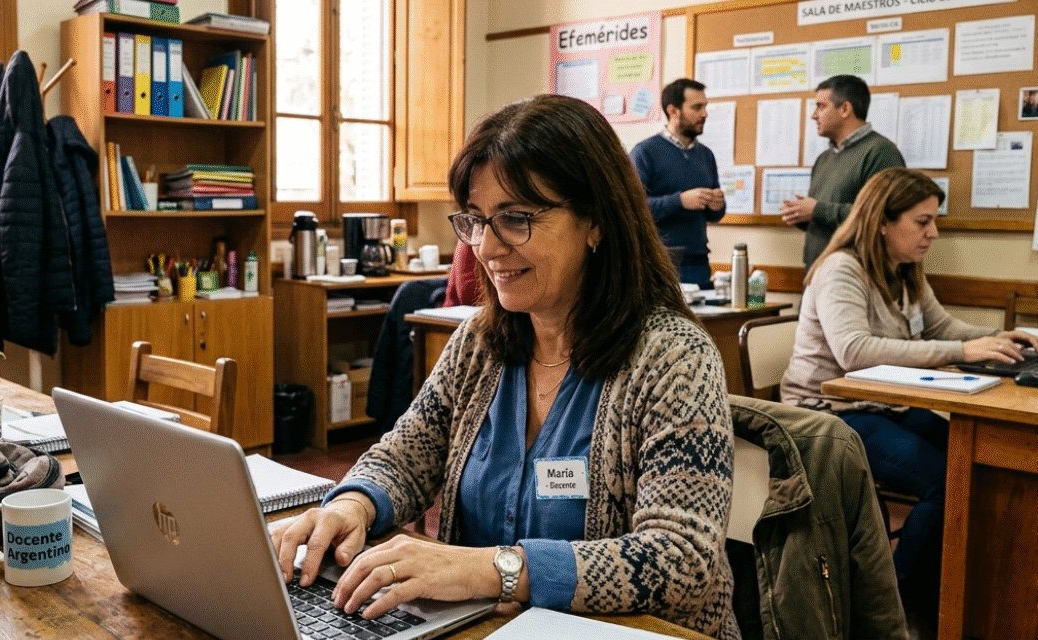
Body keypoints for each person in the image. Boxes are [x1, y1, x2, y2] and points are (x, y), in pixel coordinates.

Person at [272, 94, 741, 640]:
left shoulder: (674, 358)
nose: (486, 248)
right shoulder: (480, 342)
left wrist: (495, 570)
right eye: (476, 221)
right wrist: (355, 502)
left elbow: (680, 559)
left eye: (516, 219)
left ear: (596, 221)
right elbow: (405, 454)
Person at [779, 167, 1038, 628]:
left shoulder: (904, 272)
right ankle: (896, 608)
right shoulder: (842, 269)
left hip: (881, 404)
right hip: (824, 414)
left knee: (974, 462)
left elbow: (945, 329)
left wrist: (1002, 337)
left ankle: (947, 585)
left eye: (934, 221)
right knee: (946, 480)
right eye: (922, 222)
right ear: (883, 221)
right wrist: (965, 351)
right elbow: (854, 351)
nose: (934, 232)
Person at [779, 74, 905, 271]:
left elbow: (882, 217)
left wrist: (817, 210)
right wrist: (802, 215)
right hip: (817, 272)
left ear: (845, 109)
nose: (814, 115)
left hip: (856, 275)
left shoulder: (881, 153)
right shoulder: (824, 158)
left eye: (821, 106)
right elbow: (827, 218)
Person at [630, 78, 725, 287]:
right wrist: (680, 201)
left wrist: (717, 205)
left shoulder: (706, 155)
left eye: (705, 106)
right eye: (697, 107)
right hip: (658, 264)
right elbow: (632, 209)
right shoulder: (645, 152)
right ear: (673, 111)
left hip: (699, 263)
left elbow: (714, 215)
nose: (704, 114)